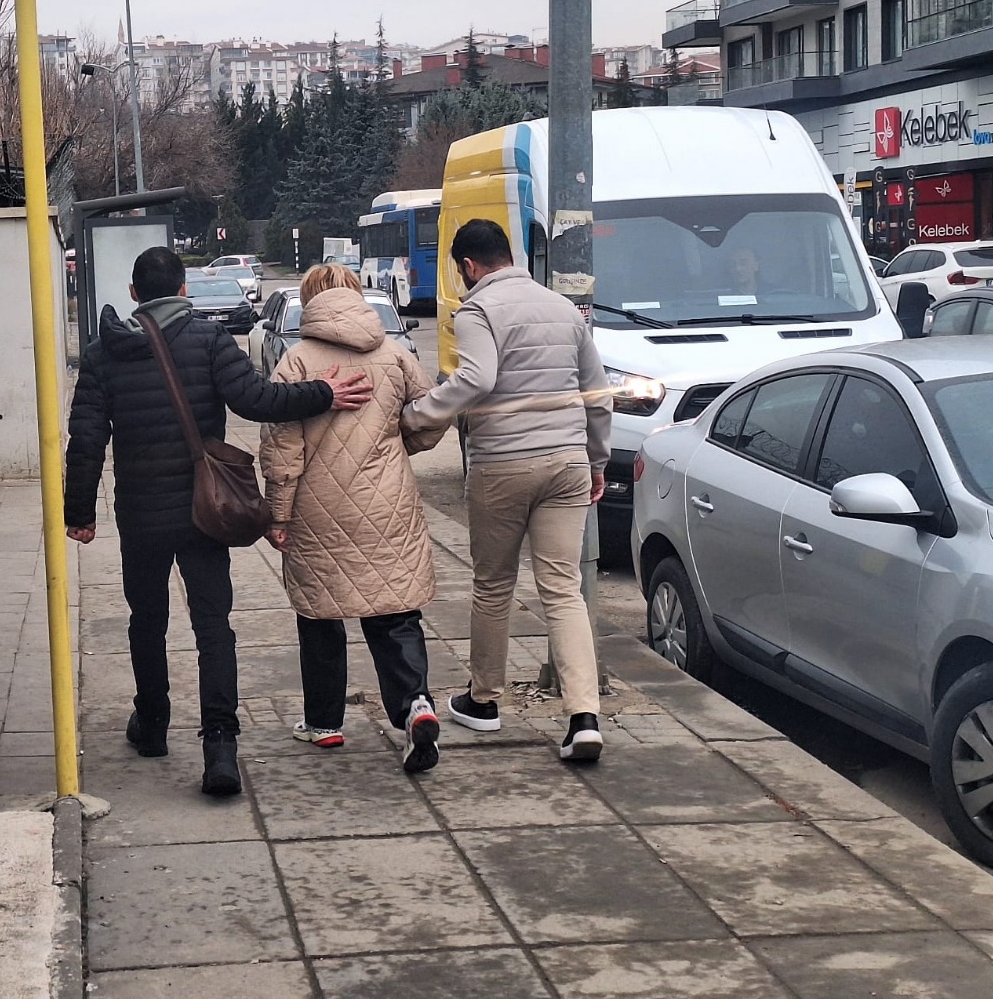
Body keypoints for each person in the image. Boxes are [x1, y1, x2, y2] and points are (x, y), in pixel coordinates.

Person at [64, 247, 373, 796]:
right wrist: (325, 392)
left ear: (134, 293)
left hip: (141, 513)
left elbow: (86, 439)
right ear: (183, 289)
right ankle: (220, 747)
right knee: (213, 627)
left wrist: (79, 512)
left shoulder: (103, 352)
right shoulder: (208, 341)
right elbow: (256, 400)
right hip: (206, 510)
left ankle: (152, 725)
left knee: (146, 620)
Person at [402, 219, 613, 761]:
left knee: (494, 584)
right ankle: (583, 716)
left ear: (469, 266)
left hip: (503, 463)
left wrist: (418, 412)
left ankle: (483, 701)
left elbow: (476, 378)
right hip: (567, 461)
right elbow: (597, 391)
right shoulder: (564, 309)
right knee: (563, 589)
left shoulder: (477, 311)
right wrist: (596, 458)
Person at [259, 265, 448, 773]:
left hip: (317, 509)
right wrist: (400, 445)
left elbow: (282, 447)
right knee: (394, 612)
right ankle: (415, 706)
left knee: (320, 614)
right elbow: (433, 413)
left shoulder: (296, 362)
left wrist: (278, 514)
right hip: (389, 505)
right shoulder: (394, 354)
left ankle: (324, 722)